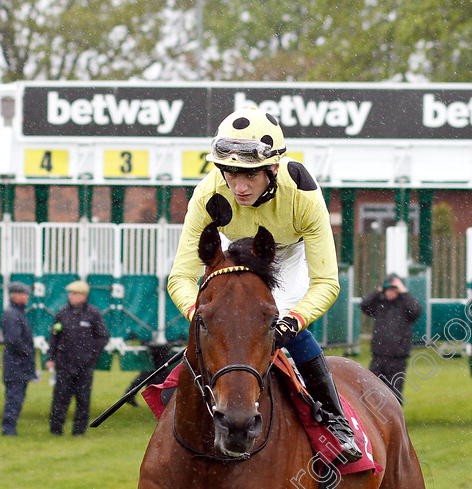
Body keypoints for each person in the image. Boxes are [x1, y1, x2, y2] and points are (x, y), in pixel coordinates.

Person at [167, 107, 362, 461]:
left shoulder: (302, 195)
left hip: (283, 256)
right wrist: (198, 314)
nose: (239, 187)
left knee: (277, 320)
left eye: (250, 176)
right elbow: (179, 277)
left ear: (273, 168)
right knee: (217, 320)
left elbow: (326, 283)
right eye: (230, 174)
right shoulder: (207, 193)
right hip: (230, 252)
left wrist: (292, 321)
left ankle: (336, 421)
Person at [45, 280, 109, 435]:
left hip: (84, 365)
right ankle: (56, 430)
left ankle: (79, 432)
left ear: (83, 296)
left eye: (74, 293)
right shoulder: (62, 313)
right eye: (70, 293)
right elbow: (54, 337)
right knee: (60, 398)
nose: (71, 296)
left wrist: (92, 355)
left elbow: (103, 337)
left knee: (83, 399)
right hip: (64, 364)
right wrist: (50, 357)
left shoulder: (93, 313)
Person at [360, 273, 422, 402]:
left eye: (394, 290)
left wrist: (404, 292)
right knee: (372, 388)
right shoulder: (380, 304)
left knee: (395, 391)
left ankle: (392, 419)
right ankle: (373, 417)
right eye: (388, 290)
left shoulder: (405, 306)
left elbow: (416, 310)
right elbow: (364, 305)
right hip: (379, 355)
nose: (390, 293)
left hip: (398, 357)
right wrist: (378, 291)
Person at [0, 281, 37, 436]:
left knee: (17, 396)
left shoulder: (18, 313)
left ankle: (9, 427)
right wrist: (28, 352)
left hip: (18, 364)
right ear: (16, 296)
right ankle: (8, 429)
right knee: (14, 397)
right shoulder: (12, 314)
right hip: (16, 365)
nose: (27, 297)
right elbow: (13, 340)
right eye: (25, 294)